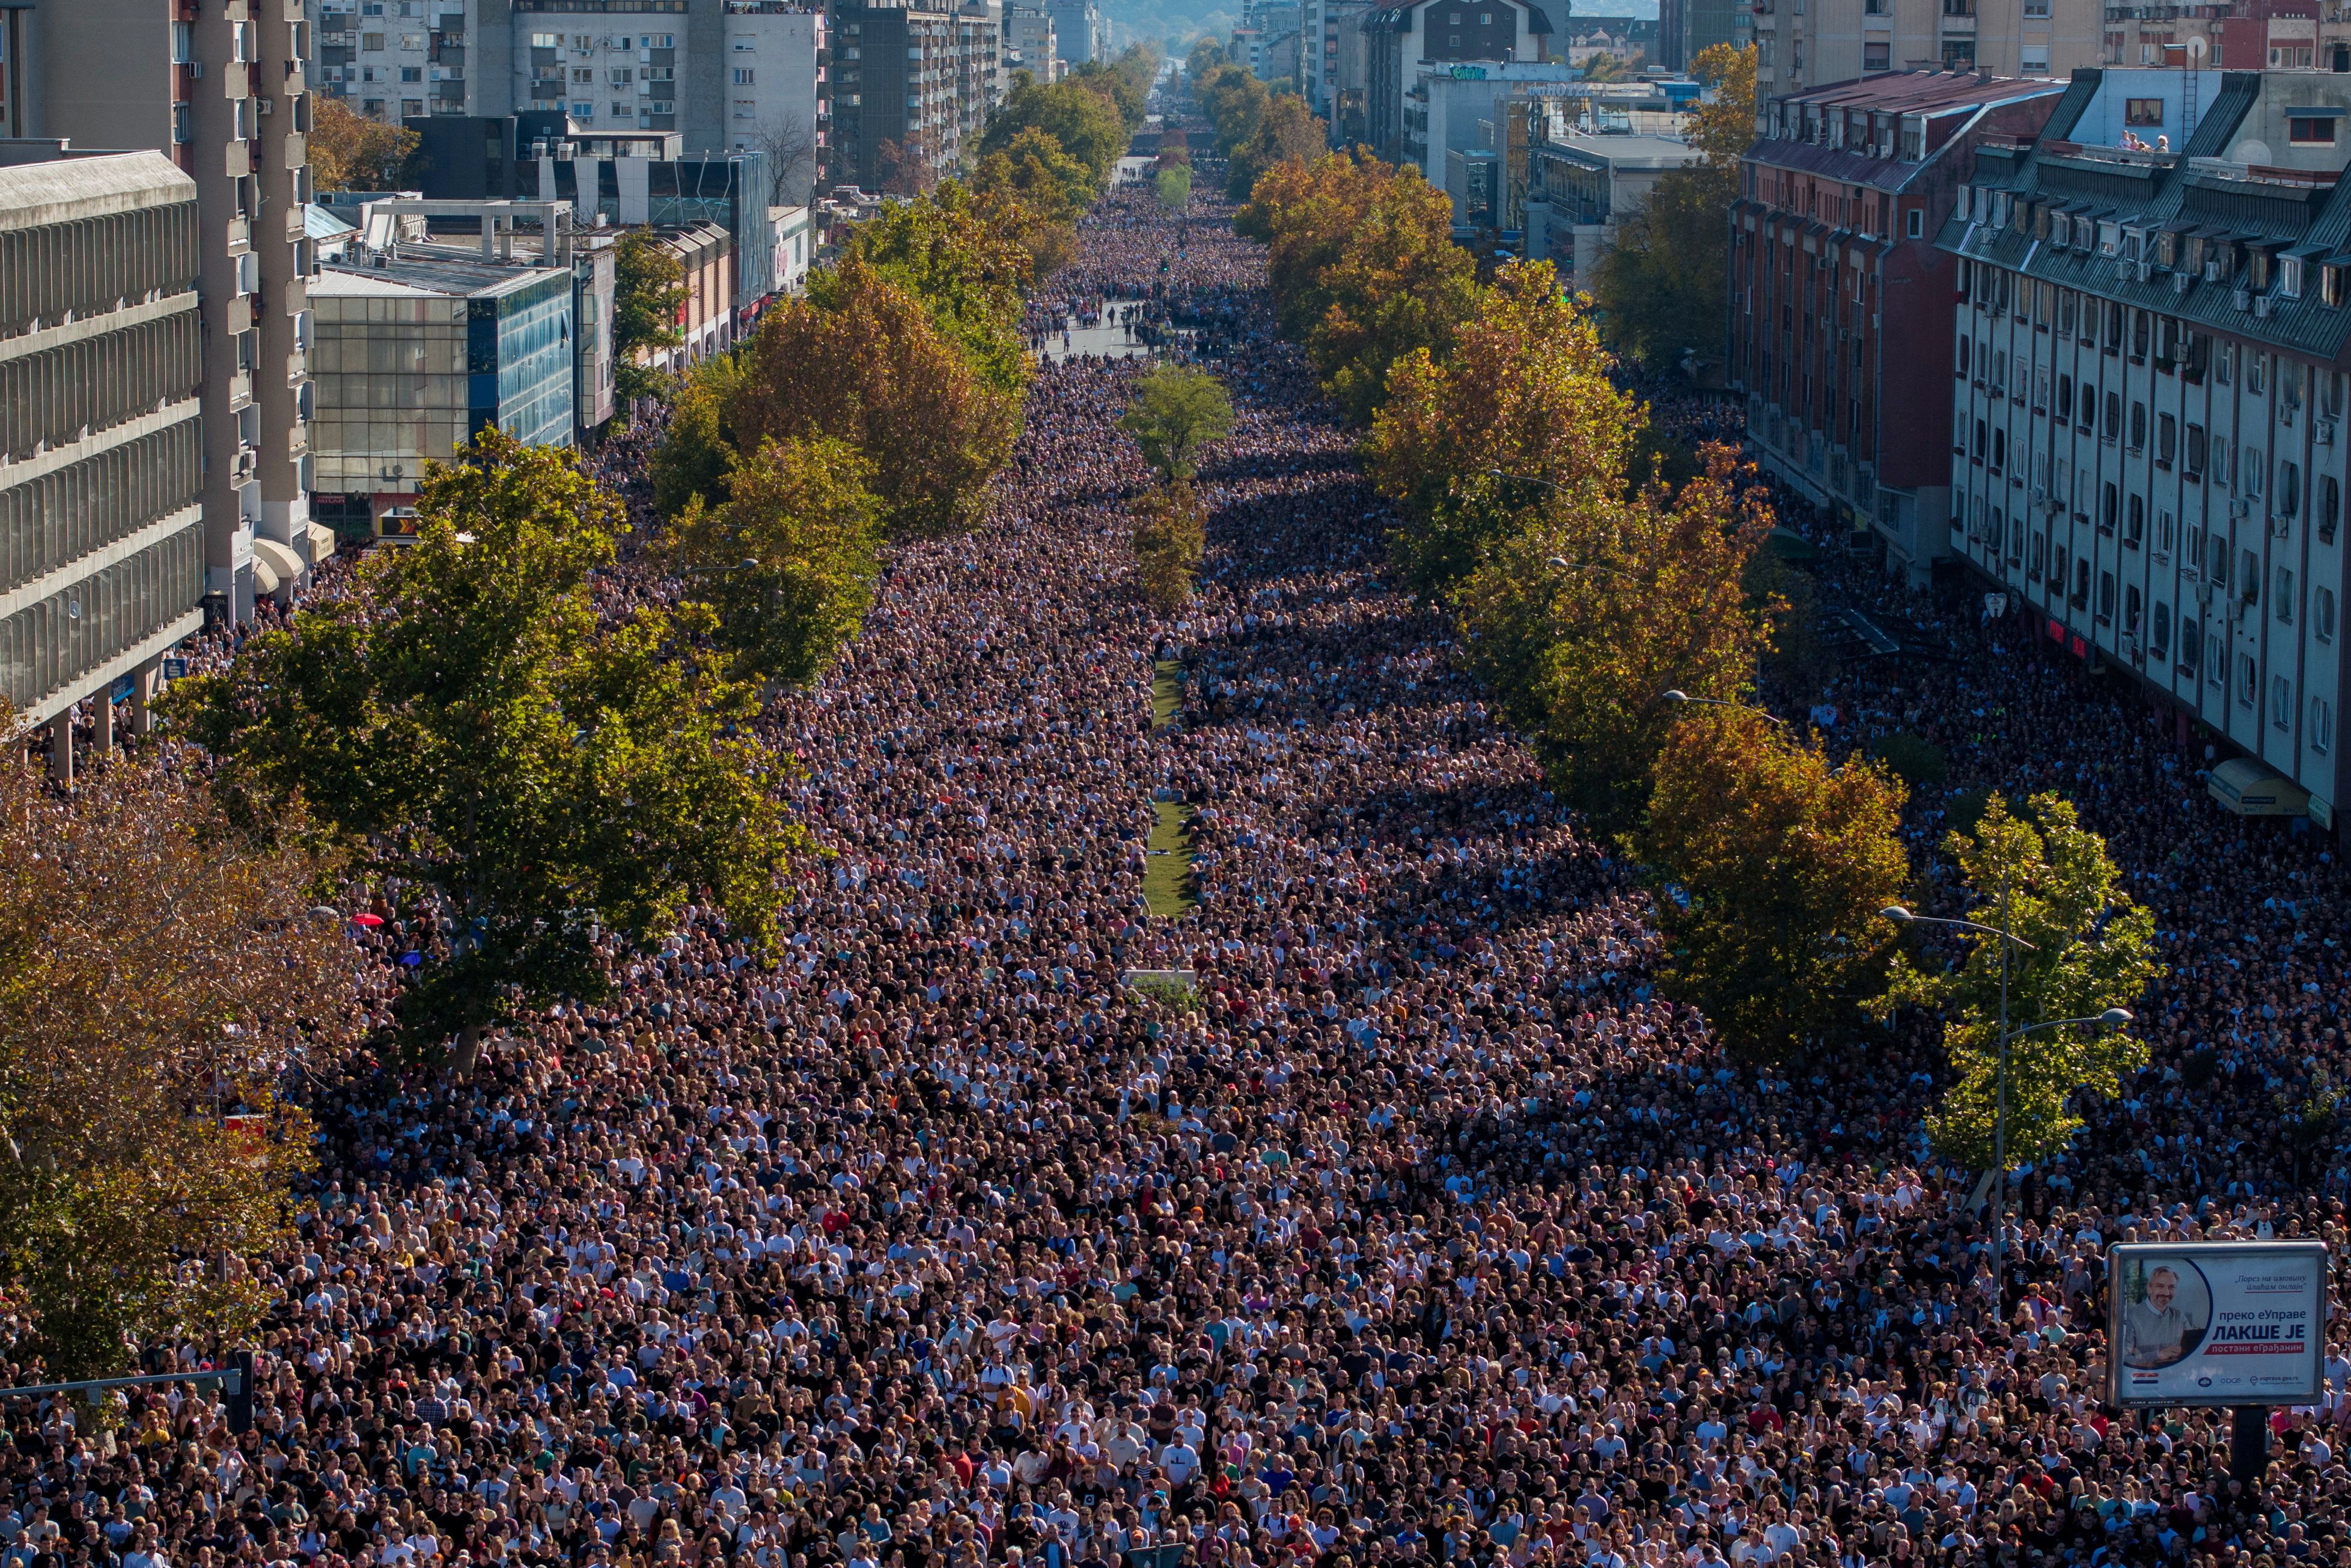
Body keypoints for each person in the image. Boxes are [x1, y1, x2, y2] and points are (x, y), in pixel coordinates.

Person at [2122, 1265, 2204, 1368]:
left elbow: (2194, 1349)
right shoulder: (2131, 1316)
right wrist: (2158, 1355)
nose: (2166, 1293)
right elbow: (2123, 1359)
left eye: (2171, 1287)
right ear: (2149, 1288)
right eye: (2160, 1286)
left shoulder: (2179, 1316)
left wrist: (2183, 1351)